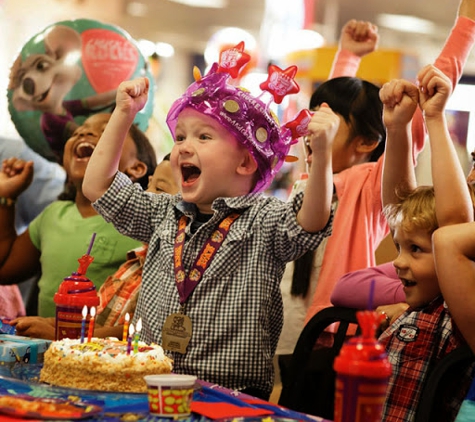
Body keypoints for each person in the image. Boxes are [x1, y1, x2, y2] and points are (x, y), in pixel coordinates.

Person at [82, 56, 336, 399]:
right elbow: (98, 186)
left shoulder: (263, 220)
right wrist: (124, 114)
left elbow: (312, 220)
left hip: (230, 394)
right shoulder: (164, 212)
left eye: (203, 137)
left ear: (245, 162)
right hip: (149, 379)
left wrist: (321, 155)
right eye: (181, 136)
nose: (184, 146)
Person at [277, 1, 475, 381]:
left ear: (366, 142)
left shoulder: (365, 185)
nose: (312, 126)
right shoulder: (311, 177)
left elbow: (414, 121)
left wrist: (465, 27)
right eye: (312, 114)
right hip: (285, 330)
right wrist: (347, 57)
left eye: (325, 120)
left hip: (330, 338)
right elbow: (334, 111)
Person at [377, 63, 474, 421]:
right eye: (402, 247)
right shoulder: (414, 310)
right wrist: (397, 128)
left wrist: (434, 119)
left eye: (416, 249)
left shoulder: (455, 313)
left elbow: (453, 225)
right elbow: (396, 207)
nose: (399, 261)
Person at [0, 113, 157, 318]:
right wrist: (6, 198)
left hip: (103, 350)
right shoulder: (53, 215)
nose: (83, 131)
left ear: (135, 168)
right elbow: (4, 269)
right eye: (77, 132)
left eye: (105, 131)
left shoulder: (142, 224)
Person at [10, 154, 179, 340]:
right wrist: (54, 324)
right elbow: (99, 322)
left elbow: (140, 330)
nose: (145, 196)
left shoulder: (171, 273)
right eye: (148, 186)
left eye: (159, 189)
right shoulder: (132, 263)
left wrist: (61, 337)